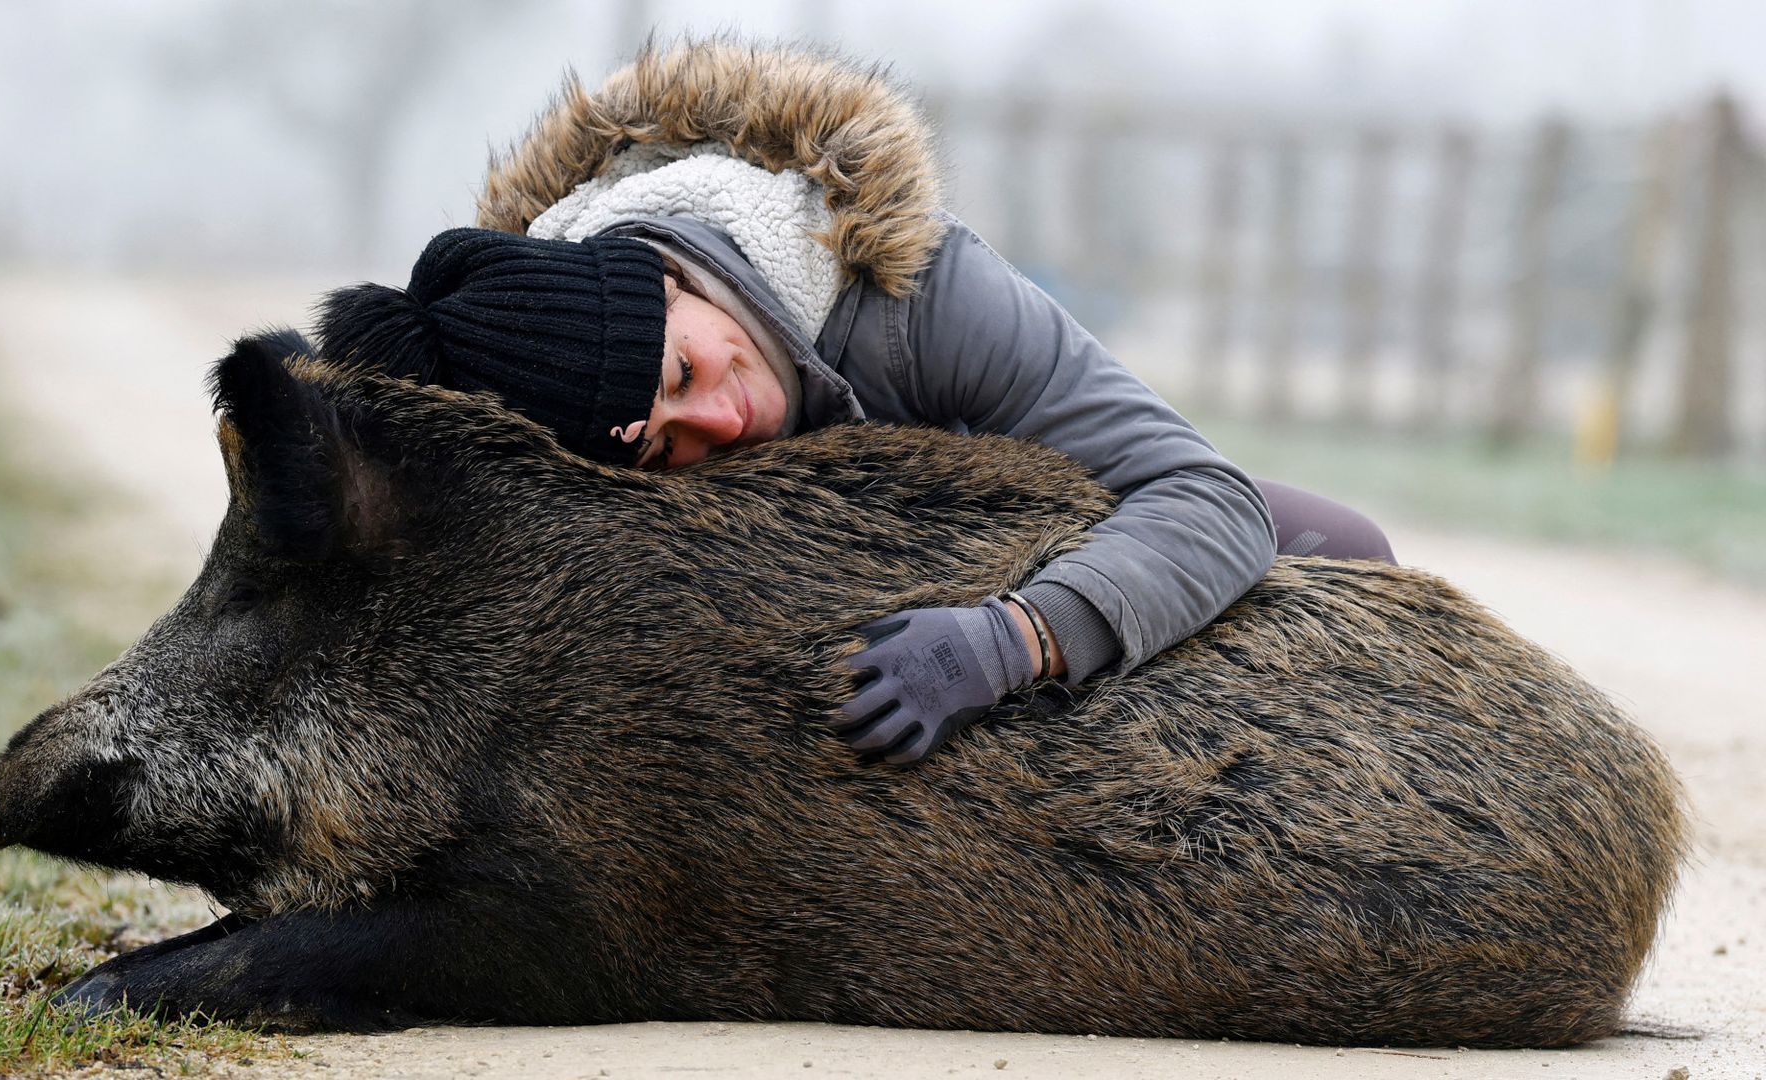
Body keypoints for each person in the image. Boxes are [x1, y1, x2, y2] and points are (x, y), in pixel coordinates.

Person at [317, 37, 1393, 766]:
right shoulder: (555, 442)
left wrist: (1015, 640)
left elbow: (1202, 496)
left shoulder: (920, 292)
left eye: (687, 371)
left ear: (669, 275)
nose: (724, 424)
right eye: (665, 445)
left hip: (1031, 560)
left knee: (1343, 545)